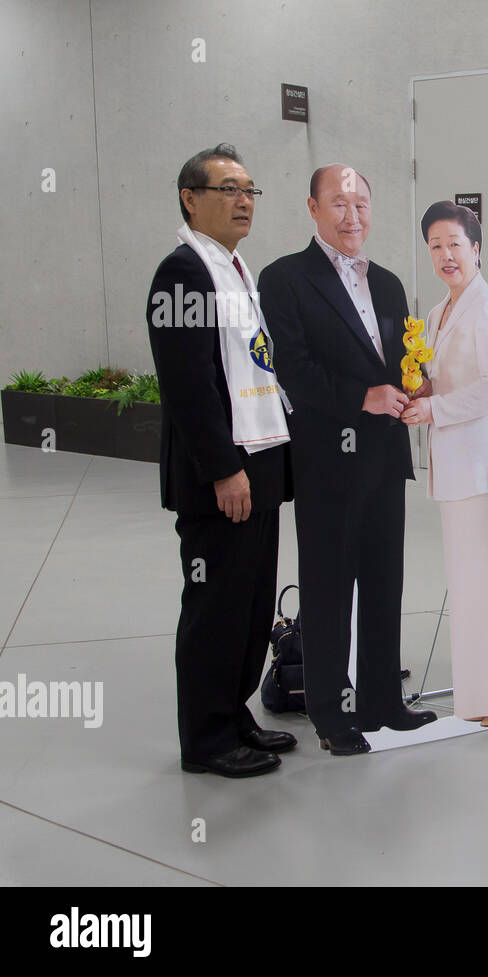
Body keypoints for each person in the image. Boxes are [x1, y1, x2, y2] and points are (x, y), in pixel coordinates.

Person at [258, 164, 435, 756]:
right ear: (312, 208)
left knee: (386, 581)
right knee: (330, 586)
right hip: (328, 460)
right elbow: (292, 368)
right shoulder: (284, 278)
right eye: (338, 203)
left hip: (384, 456)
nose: (351, 215)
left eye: (361, 203)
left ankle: (384, 699)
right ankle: (331, 712)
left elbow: (394, 361)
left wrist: (417, 385)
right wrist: (363, 398)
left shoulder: (386, 282)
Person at [145, 142, 294, 777]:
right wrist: (224, 468)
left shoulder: (235, 268)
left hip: (256, 461)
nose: (243, 201)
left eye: (250, 191)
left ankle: (234, 716)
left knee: (252, 600)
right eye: (229, 189)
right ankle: (205, 740)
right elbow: (187, 388)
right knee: (214, 604)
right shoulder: (182, 273)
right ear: (190, 198)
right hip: (222, 473)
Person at [400, 202, 488, 727]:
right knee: (469, 585)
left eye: (455, 244)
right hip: (455, 469)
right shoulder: (436, 314)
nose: (445, 255)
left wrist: (434, 407)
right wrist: (422, 389)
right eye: (435, 246)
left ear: (476, 249)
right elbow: (451, 380)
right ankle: (481, 692)